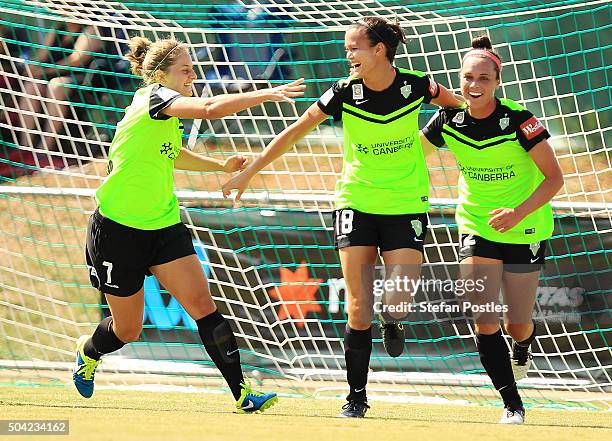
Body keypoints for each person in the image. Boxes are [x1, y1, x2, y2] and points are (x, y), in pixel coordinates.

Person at [221, 16, 463, 417]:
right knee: (358, 304)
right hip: (356, 201)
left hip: (406, 204)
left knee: (398, 302)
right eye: (347, 48)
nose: (348, 54)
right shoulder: (344, 92)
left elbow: (457, 108)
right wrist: (251, 170)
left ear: (379, 50)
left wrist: (430, 143)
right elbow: (297, 130)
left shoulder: (417, 85)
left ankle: (395, 321)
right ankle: (356, 397)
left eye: (354, 48)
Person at [72, 36, 305, 413]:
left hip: (163, 225)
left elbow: (171, 153)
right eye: (185, 69)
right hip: (116, 230)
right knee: (128, 330)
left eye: (193, 69)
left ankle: (243, 393)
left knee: (203, 305)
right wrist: (268, 92)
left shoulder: (166, 113)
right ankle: (88, 353)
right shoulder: (152, 98)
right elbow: (211, 108)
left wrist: (218, 166)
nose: (192, 75)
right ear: (160, 75)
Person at [420, 35, 564, 424]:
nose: (474, 86)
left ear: (497, 81)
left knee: (517, 322)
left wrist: (518, 212)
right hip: (476, 224)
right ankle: (512, 404)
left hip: (525, 226)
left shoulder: (520, 119)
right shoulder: (448, 119)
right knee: (483, 316)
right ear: (459, 80)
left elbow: (554, 179)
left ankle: (524, 343)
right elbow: (410, 158)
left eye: (483, 78)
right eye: (468, 78)